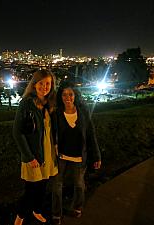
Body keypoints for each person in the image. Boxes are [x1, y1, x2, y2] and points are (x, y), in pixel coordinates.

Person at [52, 81, 101, 225]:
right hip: (60, 156)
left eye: (71, 94)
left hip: (79, 157)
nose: (68, 97)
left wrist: (97, 155)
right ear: (60, 96)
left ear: (75, 96)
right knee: (56, 186)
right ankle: (56, 213)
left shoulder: (83, 112)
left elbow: (91, 133)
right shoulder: (57, 113)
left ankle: (77, 206)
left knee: (79, 184)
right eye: (64, 94)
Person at [13, 69, 58, 225]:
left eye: (48, 84)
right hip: (34, 155)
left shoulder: (50, 104)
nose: (44, 87)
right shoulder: (26, 103)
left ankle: (36, 210)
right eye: (41, 83)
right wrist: (29, 157)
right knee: (31, 191)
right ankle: (20, 217)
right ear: (34, 84)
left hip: (48, 153)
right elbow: (17, 133)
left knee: (43, 187)